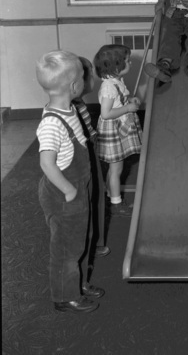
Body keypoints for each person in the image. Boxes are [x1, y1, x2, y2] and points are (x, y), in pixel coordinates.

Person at [36, 50, 104, 314]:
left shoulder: (71, 109)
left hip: (78, 186)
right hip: (65, 192)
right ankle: (65, 296)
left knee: (81, 239)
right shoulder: (52, 123)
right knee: (66, 247)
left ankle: (78, 283)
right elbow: (46, 163)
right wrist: (68, 190)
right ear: (75, 86)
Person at [93, 44, 142, 216]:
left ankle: (109, 195)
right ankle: (116, 203)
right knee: (116, 169)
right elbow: (106, 114)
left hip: (120, 125)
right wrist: (128, 108)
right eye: (127, 61)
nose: (131, 63)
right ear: (115, 66)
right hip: (113, 128)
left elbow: (119, 100)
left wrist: (130, 99)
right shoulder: (108, 87)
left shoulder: (116, 81)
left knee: (115, 168)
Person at [73, 57, 110, 260]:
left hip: (89, 150)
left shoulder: (78, 102)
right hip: (83, 157)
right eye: (91, 75)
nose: (94, 79)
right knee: (91, 197)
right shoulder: (73, 106)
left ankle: (95, 241)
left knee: (96, 194)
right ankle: (90, 245)